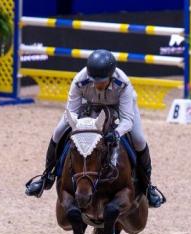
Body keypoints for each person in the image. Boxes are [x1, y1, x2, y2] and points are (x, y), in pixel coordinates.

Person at [24, 49, 166, 208]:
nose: (97, 84)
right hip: (89, 107)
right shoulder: (80, 79)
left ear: (111, 76)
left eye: (102, 81)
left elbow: (127, 120)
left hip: (119, 109)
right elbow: (71, 110)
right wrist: (78, 125)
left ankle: (148, 187)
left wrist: (116, 133)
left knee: (139, 139)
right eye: (95, 80)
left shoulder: (123, 83)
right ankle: (46, 176)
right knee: (58, 131)